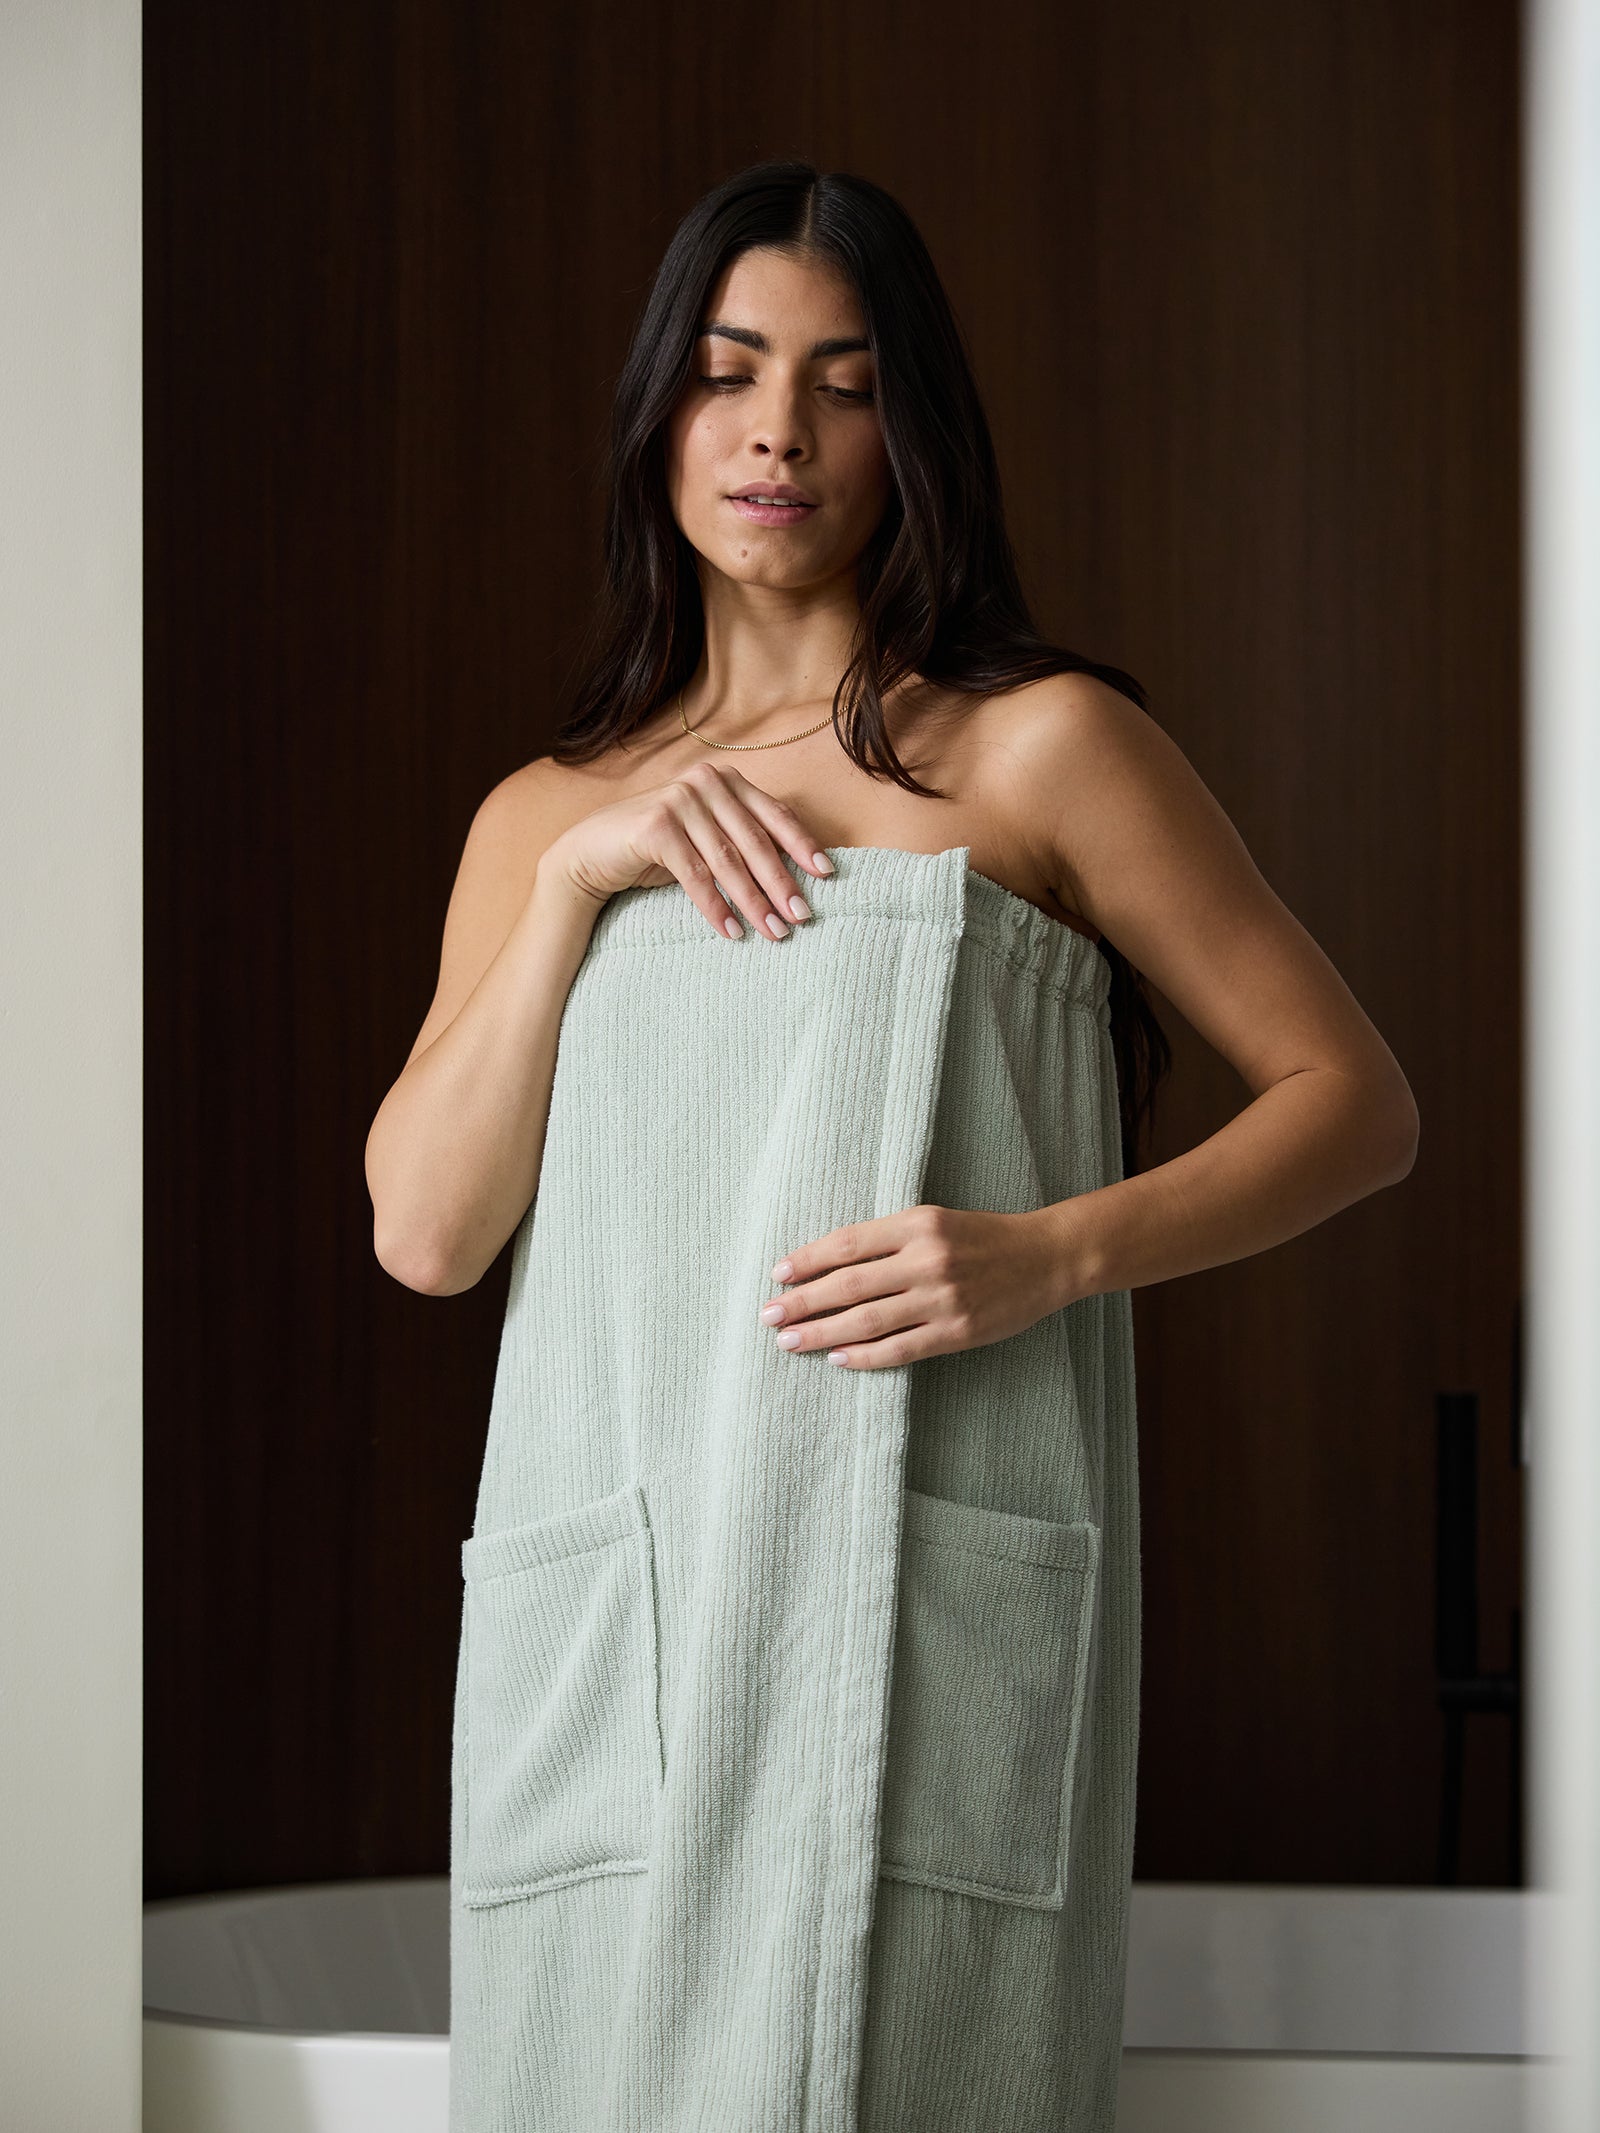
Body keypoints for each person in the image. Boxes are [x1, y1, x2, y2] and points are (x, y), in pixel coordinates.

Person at [365, 160, 1419, 2133]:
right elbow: (427, 1228)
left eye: (843, 382)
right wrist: (591, 870)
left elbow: (1351, 1100)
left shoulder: (1032, 752)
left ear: (909, 427)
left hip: (902, 1609)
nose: (777, 428)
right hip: (625, 1642)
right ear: (660, 420)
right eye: (727, 370)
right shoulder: (541, 816)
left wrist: (1050, 1253)